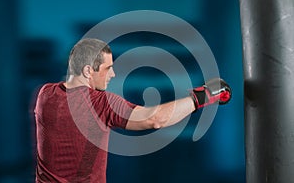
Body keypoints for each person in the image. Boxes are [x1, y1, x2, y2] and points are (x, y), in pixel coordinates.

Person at [33, 38, 231, 183]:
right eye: (107, 68)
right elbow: (155, 119)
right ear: (87, 71)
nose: (113, 73)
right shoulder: (101, 103)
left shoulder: (45, 95)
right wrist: (205, 95)